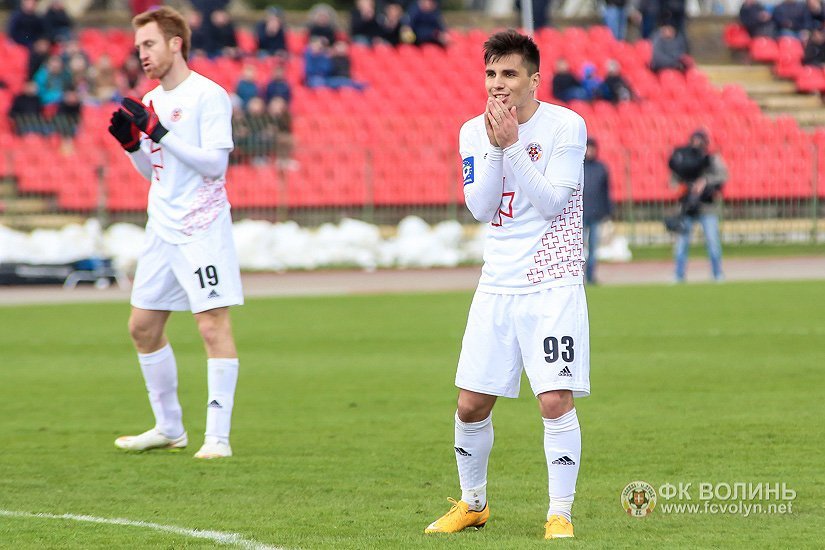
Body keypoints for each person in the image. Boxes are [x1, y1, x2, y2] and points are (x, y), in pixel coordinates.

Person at [425, 30, 589, 540]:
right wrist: (497, 148)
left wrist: (514, 144)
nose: (498, 84)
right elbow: (480, 207)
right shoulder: (472, 132)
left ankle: (560, 513)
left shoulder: (566, 125)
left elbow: (553, 203)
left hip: (552, 282)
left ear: (534, 79)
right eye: (491, 74)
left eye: (510, 74)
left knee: (554, 399)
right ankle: (473, 504)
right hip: (496, 284)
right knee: (470, 404)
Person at [106, 6, 243, 459]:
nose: (142, 54)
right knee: (142, 327)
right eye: (138, 47)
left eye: (149, 44)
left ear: (175, 43)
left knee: (212, 325)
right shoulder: (150, 101)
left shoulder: (208, 95)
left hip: (202, 228)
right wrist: (132, 146)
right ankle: (169, 428)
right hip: (161, 228)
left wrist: (160, 132)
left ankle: (217, 438)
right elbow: (156, 172)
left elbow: (214, 165)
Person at [668, 129, 727, 283]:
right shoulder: (682, 160)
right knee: (682, 243)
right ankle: (678, 275)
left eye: (699, 140)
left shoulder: (711, 159)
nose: (696, 144)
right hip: (687, 207)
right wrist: (685, 187)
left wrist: (705, 182)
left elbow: (723, 176)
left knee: (712, 241)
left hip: (707, 207)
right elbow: (673, 183)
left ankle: (717, 273)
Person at [582, 138, 613, 285]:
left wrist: (607, 211)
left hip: (596, 213)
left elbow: (606, 192)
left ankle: (590, 275)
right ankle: (578, 276)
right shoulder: (578, 166)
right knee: (578, 248)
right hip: (580, 214)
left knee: (593, 247)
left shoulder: (601, 168)